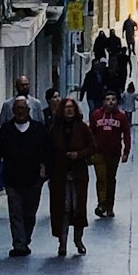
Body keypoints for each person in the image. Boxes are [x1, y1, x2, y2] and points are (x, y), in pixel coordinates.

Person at [0, 97, 50, 257]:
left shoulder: (38, 129)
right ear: (13, 111)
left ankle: (25, 239)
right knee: (15, 212)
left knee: (29, 213)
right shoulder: (7, 130)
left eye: (23, 108)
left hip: (33, 179)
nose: (20, 112)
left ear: (29, 111)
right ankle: (19, 244)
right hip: (12, 178)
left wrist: (47, 171)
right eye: (17, 109)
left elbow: (47, 152)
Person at [49, 97, 95, 256]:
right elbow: (49, 150)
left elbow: (92, 147)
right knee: (63, 207)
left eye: (71, 108)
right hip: (60, 174)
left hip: (78, 173)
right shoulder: (55, 129)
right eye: (66, 107)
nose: (69, 110)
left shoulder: (82, 128)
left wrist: (79, 154)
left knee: (78, 207)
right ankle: (62, 242)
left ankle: (78, 239)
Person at [89, 91, 132, 217]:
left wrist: (126, 152)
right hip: (99, 152)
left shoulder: (121, 117)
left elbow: (127, 135)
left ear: (117, 101)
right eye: (108, 99)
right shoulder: (96, 115)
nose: (110, 102)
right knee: (101, 178)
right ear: (103, 101)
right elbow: (91, 133)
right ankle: (101, 204)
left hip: (114, 153)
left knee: (110, 179)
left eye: (113, 99)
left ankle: (110, 206)